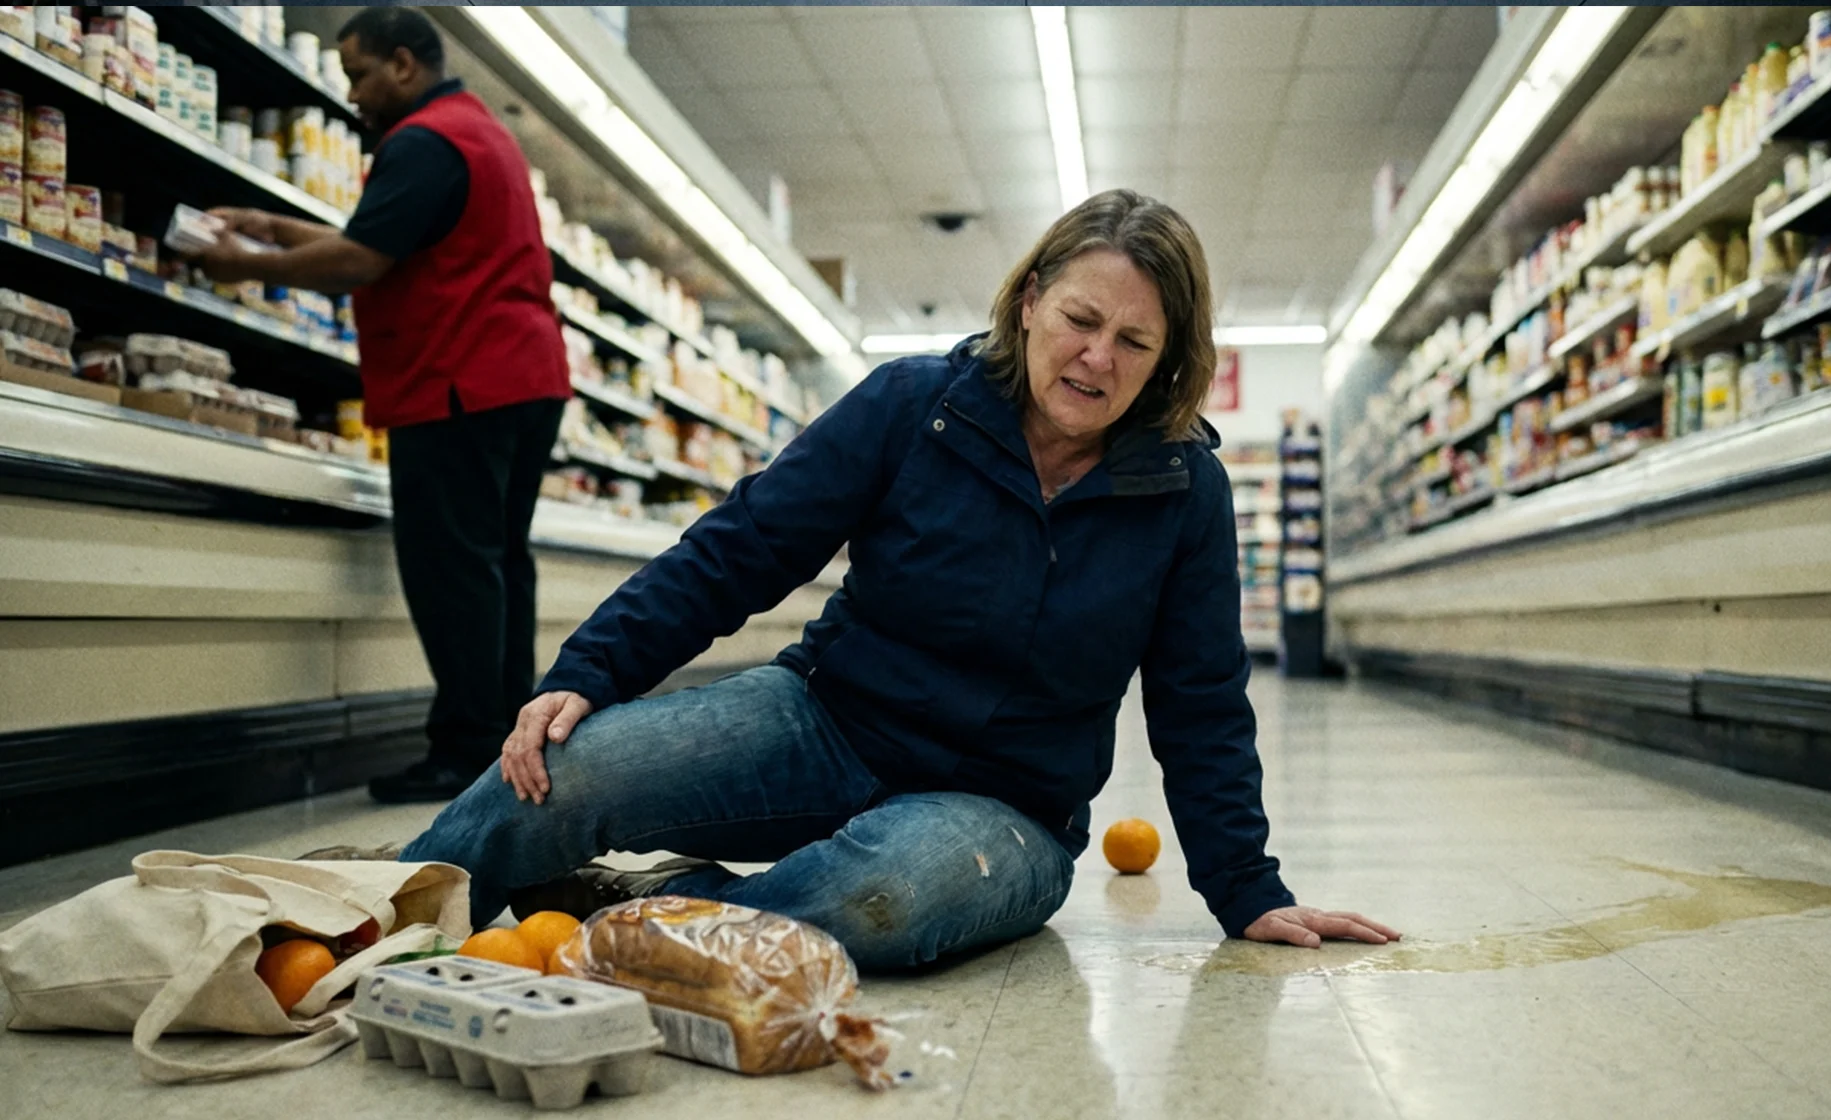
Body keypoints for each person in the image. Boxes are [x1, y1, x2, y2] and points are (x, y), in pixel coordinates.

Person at [397, 190, 1400, 971]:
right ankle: (371, 923)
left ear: (1168, 360)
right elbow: (744, 544)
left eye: (1133, 341)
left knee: (882, 895)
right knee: (566, 769)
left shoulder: (1184, 490)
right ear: (1027, 299)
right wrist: (590, 670)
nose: (1095, 357)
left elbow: (1199, 700)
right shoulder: (916, 405)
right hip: (822, 724)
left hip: (1001, 812)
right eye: (1079, 318)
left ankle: (629, 925)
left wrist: (1245, 887)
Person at [194, 7, 570, 804]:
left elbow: (361, 258)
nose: (354, 94)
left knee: (454, 572)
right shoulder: (475, 132)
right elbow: (389, 236)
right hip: (522, 380)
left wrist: (245, 263)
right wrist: (269, 224)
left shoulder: (425, 139)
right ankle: (503, 733)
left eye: (360, 74)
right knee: (497, 565)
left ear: (404, 64)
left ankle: (466, 746)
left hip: (459, 380)